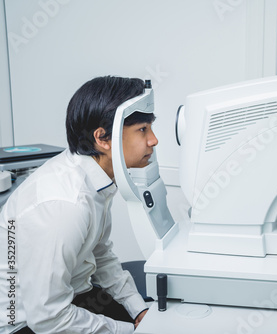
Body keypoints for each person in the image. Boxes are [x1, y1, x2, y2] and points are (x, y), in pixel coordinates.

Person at [0, 76, 158, 333]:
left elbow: (100, 252)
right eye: (143, 130)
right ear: (103, 139)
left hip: (69, 298)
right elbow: (47, 318)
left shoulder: (97, 176)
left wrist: (137, 309)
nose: (153, 140)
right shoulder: (66, 205)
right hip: (23, 323)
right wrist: (127, 331)